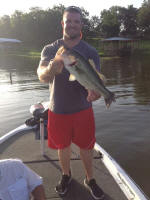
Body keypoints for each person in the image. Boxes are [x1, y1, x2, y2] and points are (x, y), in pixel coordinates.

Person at [37, 6, 105, 200]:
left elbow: (96, 80)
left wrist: (96, 93)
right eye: (69, 21)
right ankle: (66, 175)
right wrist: (51, 68)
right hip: (58, 109)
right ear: (63, 24)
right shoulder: (50, 49)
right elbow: (41, 74)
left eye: (76, 21)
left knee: (86, 146)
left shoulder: (90, 51)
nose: (72, 25)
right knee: (63, 146)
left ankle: (90, 179)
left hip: (83, 109)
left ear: (81, 25)